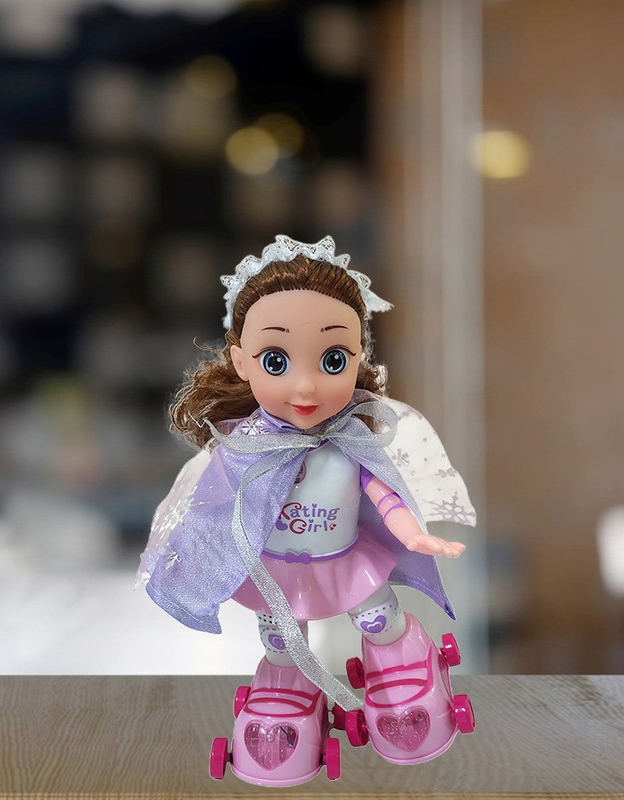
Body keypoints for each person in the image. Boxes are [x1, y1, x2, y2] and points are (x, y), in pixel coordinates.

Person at [138, 236, 476, 786]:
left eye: (332, 359)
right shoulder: (242, 450)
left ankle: (402, 659)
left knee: (378, 618)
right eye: (276, 361)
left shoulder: (351, 442)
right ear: (242, 361)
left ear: (359, 359)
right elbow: (213, 511)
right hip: (276, 572)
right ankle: (288, 686)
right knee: (280, 640)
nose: (305, 384)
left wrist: (413, 535)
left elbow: (385, 495)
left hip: (345, 562)